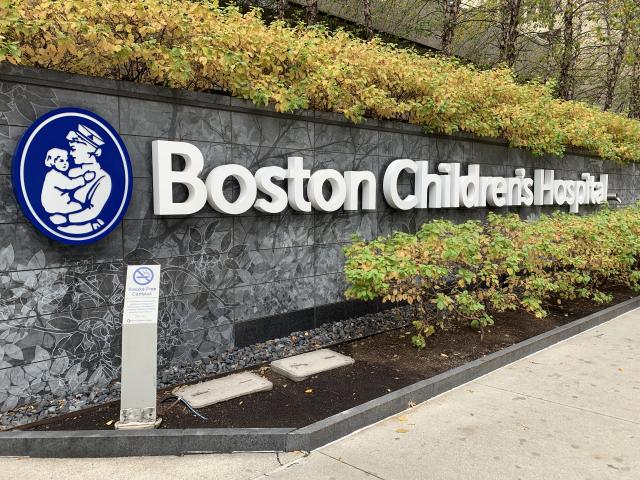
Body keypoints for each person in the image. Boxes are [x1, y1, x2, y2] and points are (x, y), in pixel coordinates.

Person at [51, 124, 112, 234]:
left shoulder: (103, 178)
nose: (70, 153)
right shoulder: (72, 172)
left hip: (83, 227)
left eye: (73, 149)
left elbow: (93, 211)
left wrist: (66, 218)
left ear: (89, 150)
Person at [41, 148, 96, 224]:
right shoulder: (54, 176)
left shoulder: (55, 174)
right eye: (61, 161)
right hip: (55, 205)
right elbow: (69, 184)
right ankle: (60, 218)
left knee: (77, 206)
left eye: (66, 160)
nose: (65, 163)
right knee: (79, 207)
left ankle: (60, 217)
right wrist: (84, 178)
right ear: (53, 162)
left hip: (57, 203)